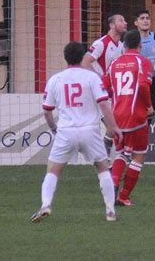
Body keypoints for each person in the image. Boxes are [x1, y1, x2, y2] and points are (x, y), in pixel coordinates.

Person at [31, 41, 123, 223]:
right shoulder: (92, 78)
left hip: (66, 130)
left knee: (53, 170)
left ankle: (46, 204)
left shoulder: (55, 79)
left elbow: (47, 110)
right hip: (90, 130)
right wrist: (113, 127)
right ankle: (110, 211)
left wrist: (54, 129)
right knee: (102, 168)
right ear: (82, 57)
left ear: (65, 58)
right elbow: (103, 103)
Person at [103, 29, 154, 206]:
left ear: (124, 46)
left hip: (117, 117)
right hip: (137, 117)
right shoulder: (144, 62)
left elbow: (104, 86)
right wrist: (148, 106)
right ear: (140, 44)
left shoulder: (114, 63)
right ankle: (124, 196)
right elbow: (143, 87)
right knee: (138, 155)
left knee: (120, 152)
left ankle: (114, 182)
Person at [81, 14, 128, 159]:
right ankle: (105, 155)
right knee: (113, 125)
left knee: (114, 126)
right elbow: (85, 61)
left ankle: (105, 155)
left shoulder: (121, 46)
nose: (125, 23)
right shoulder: (101, 43)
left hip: (114, 93)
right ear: (112, 25)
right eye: (121, 20)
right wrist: (99, 80)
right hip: (101, 94)